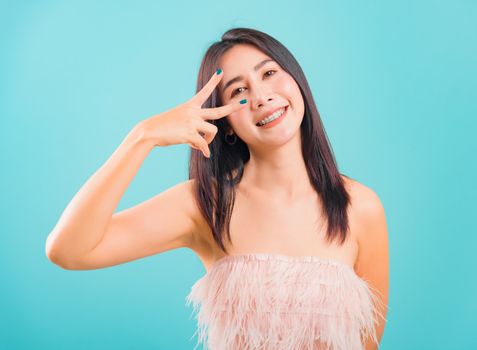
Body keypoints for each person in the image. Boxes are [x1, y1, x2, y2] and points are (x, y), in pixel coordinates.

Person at [45, 27, 389, 350]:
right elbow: (69, 250)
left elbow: (368, 341)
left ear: (297, 81)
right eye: (239, 91)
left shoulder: (360, 207)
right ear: (224, 125)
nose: (261, 96)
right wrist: (141, 137)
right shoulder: (206, 203)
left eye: (269, 73)